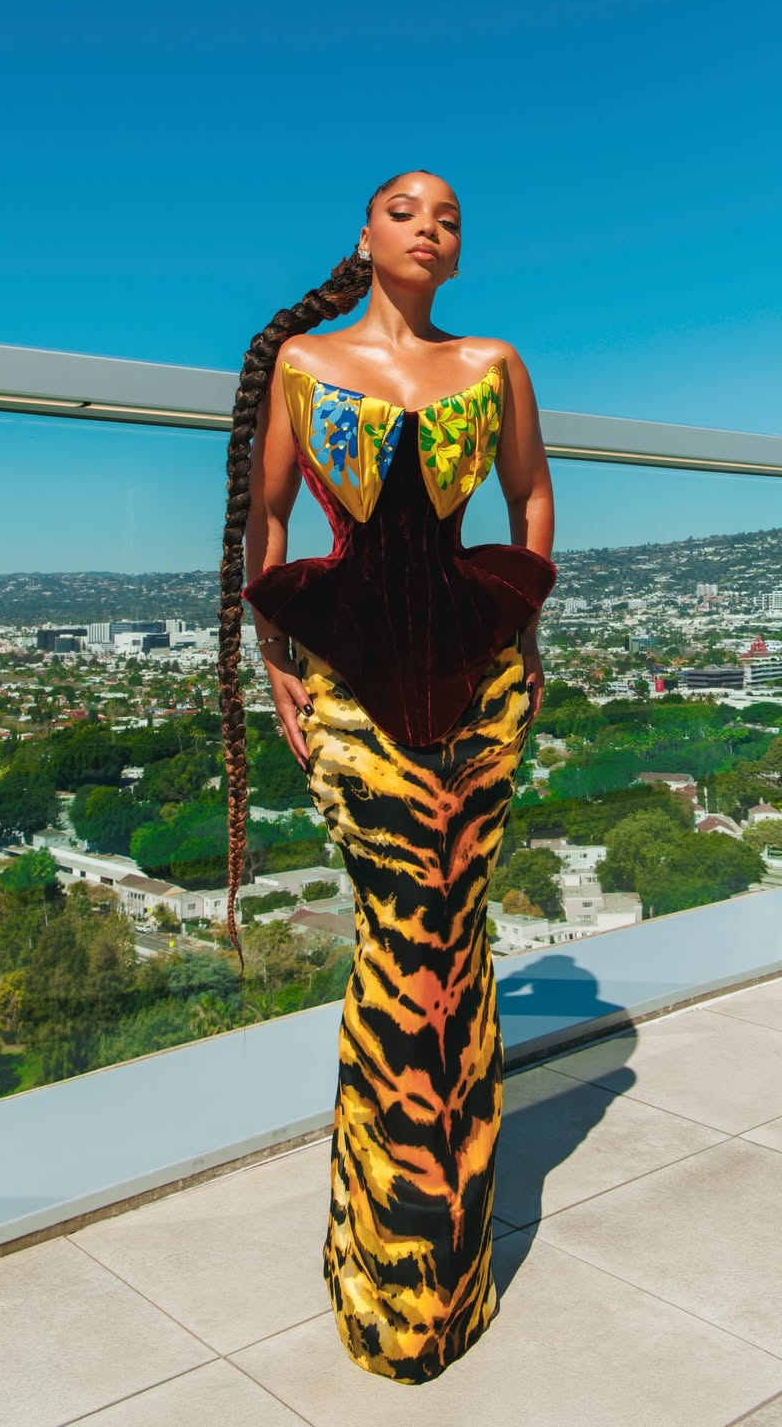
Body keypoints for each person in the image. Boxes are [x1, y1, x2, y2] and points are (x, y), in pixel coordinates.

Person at [217, 169, 556, 1383]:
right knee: (399, 944)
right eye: (407, 210)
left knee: (457, 947)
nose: (432, 226)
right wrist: (275, 671)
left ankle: (444, 1271)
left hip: (485, 695)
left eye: (453, 214)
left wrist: (521, 637)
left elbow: (528, 497)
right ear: (365, 235)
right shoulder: (304, 368)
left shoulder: (496, 363)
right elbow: (263, 526)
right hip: (353, 694)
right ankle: (385, 1276)